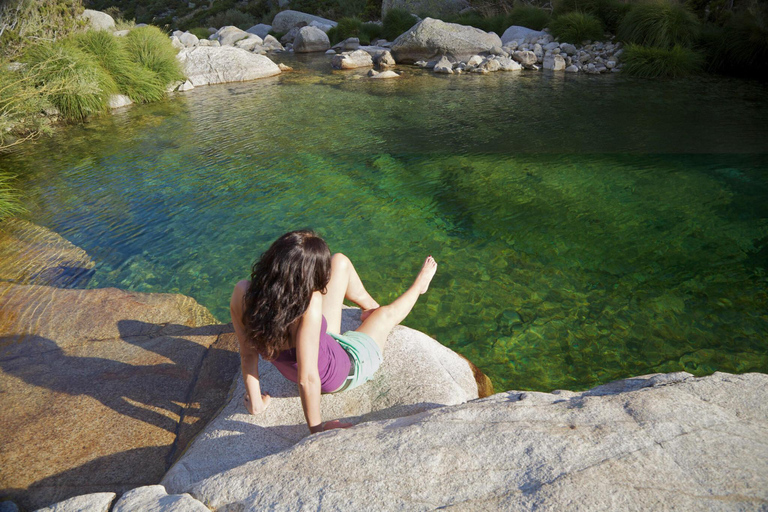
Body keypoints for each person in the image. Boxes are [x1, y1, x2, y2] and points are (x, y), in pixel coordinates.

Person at [230, 230, 437, 434]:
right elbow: (308, 378)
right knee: (385, 315)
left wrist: (255, 402)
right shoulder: (309, 305)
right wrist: (317, 430)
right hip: (345, 368)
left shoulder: (243, 293)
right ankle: (419, 287)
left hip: (323, 345)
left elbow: (248, 354)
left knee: (339, 262)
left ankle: (368, 307)